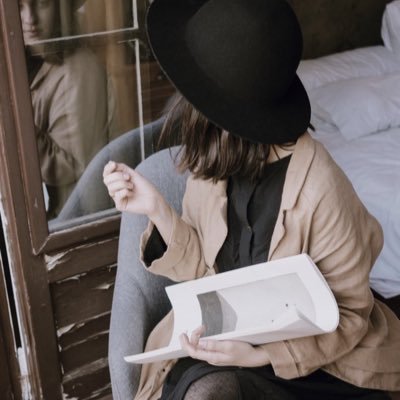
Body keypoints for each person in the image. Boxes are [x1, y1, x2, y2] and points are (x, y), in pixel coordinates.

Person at [103, 0, 400, 399]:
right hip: (226, 343)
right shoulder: (212, 164)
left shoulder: (322, 186)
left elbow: (349, 316)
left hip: (314, 364)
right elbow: (204, 272)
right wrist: (156, 208)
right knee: (204, 388)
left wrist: (260, 355)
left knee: (210, 390)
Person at [20, 0, 115, 218]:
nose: (30, 19)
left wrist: (14, 119)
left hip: (77, 217)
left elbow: (71, 164)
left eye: (41, 3)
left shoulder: (78, 71)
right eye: (19, 6)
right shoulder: (29, 60)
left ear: (60, 7)